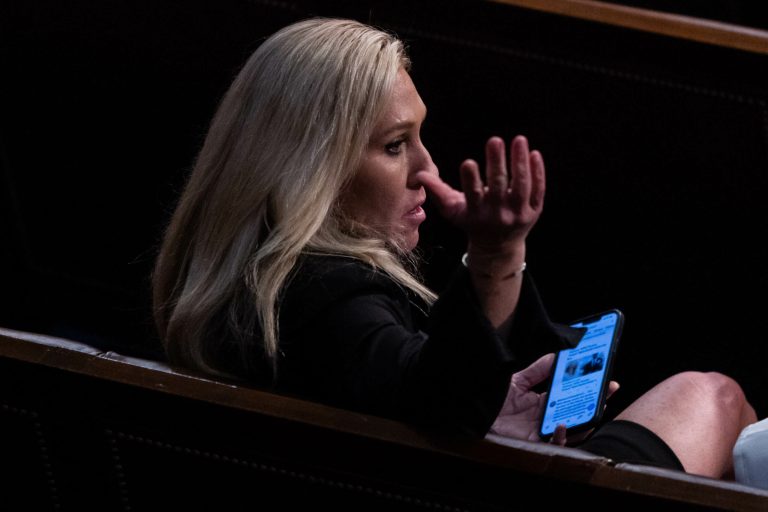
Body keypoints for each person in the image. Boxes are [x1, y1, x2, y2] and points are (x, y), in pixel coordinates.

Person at [152, 17, 757, 479]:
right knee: (711, 395)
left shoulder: (252, 283)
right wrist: (496, 256)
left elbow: (404, 391)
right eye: (394, 145)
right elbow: (440, 404)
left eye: (419, 137)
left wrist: (493, 411)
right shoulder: (321, 294)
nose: (426, 168)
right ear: (312, 167)